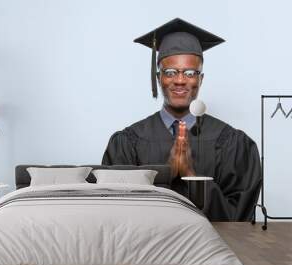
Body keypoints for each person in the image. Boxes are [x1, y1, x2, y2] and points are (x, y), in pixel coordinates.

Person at [102, 18, 261, 221]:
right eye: (170, 72)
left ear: (200, 79)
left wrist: (191, 176)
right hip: (148, 251)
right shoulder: (127, 142)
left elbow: (239, 218)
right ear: (158, 77)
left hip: (213, 251)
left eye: (190, 73)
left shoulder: (233, 144)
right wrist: (165, 175)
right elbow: (115, 213)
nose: (179, 80)